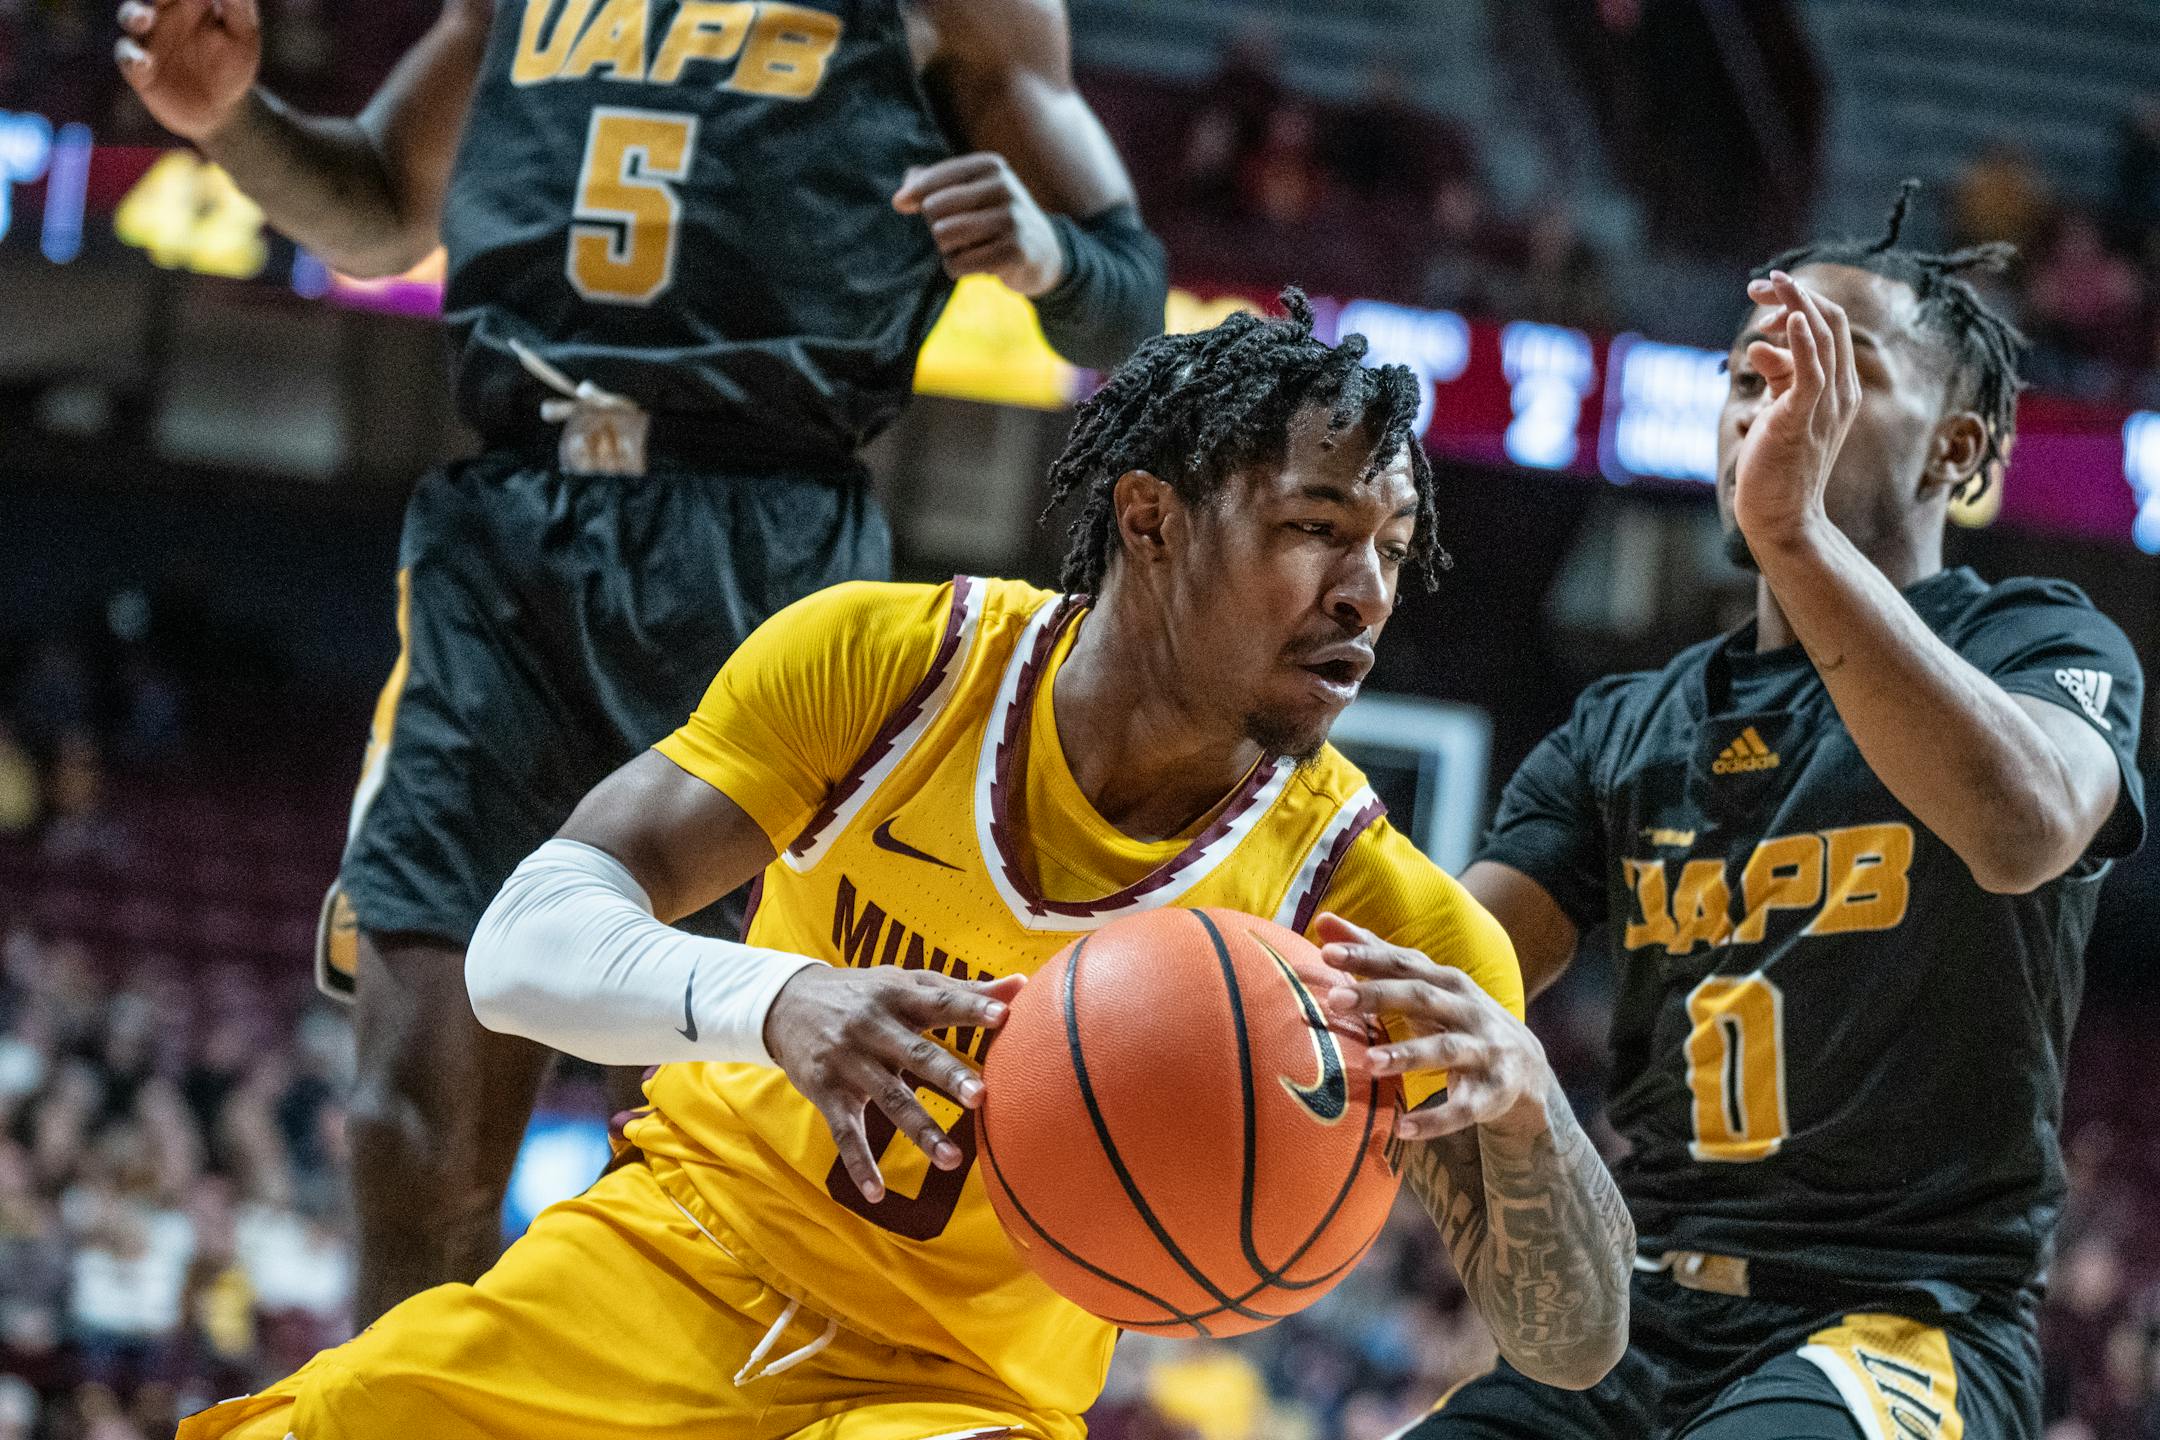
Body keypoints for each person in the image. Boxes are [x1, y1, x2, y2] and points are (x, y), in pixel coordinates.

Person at [177, 300, 1633, 1440]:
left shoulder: (1376, 914)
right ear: (1150, 518)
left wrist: (1528, 1115)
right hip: (677, 1262)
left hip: (960, 1398)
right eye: (1317, 529)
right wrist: (778, 1001)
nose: (1367, 592)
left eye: (1390, 546)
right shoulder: (893, 667)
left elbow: (1572, 1344)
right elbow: (519, 948)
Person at [113, 0, 1169, 1321]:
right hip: (505, 540)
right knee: (404, 1133)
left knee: (682, 1153)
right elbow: (380, 210)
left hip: (763, 560)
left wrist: (1048, 256)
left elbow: (1130, 296)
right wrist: (229, 119)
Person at [1411, 186, 2146, 1439]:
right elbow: (1448, 976)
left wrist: (1797, 538)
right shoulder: (1621, 729)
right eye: (1752, 371)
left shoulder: (2038, 645)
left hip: (1906, 1324)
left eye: (1833, 368)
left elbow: (2021, 829)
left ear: (1955, 450)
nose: (1773, 399)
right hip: (1642, 1319)